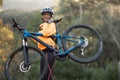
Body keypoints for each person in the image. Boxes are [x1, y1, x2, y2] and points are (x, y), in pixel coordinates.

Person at [32, 7, 56, 80]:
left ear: (51, 16)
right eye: (44, 14)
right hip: (43, 52)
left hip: (49, 51)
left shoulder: (51, 24)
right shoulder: (42, 27)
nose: (46, 16)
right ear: (42, 16)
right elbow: (36, 39)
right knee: (42, 75)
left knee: (48, 75)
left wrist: (45, 23)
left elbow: (46, 33)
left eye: (48, 15)